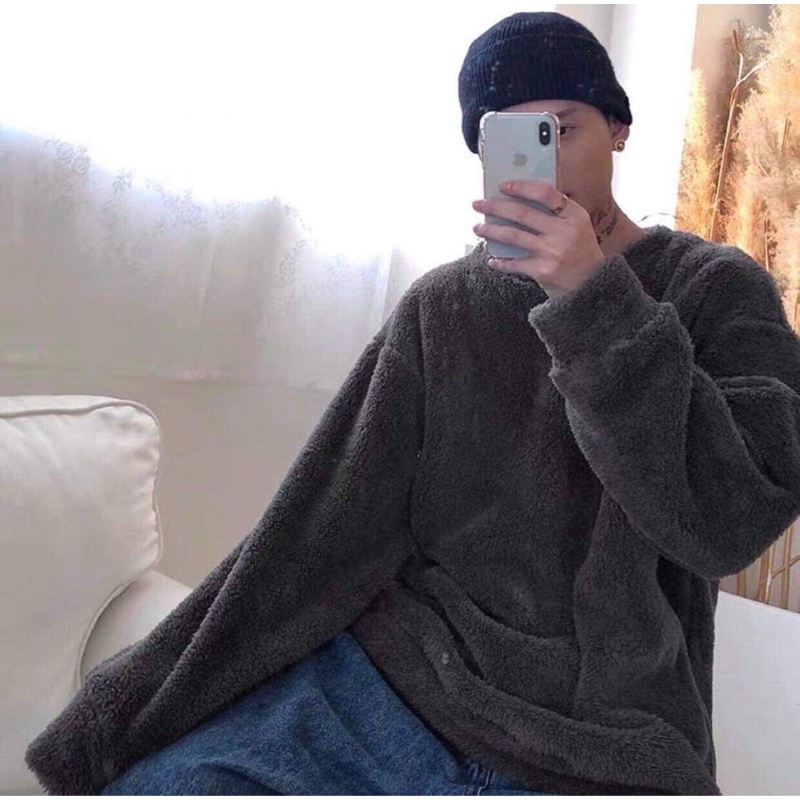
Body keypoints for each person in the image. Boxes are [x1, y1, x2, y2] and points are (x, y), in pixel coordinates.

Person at [25, 11, 800, 797]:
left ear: (619, 128)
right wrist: (130, 712)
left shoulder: (717, 290)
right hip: (399, 689)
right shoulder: (445, 307)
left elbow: (727, 522)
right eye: (513, 140)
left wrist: (590, 297)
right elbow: (319, 527)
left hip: (606, 740)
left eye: (564, 129)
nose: (550, 165)